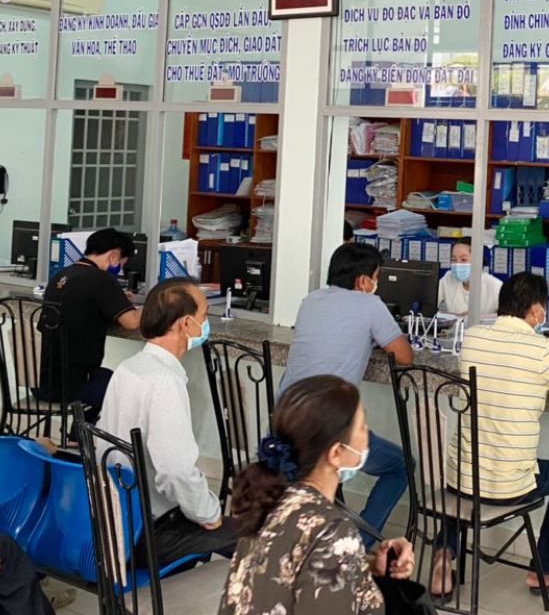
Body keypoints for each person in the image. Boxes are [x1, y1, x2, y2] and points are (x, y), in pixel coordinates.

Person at [431, 272, 549, 598]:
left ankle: (442, 554)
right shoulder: (541, 349)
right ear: (537, 311)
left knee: (469, 471)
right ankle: (545, 570)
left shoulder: (473, 337)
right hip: (506, 485)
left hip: (459, 474)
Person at [218, 375, 415, 615]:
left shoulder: (269, 502)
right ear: (336, 453)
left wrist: (366, 564)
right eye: (363, 427)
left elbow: (292, 573)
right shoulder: (333, 532)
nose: (368, 434)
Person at [97, 278, 237, 569]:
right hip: (148, 531)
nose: (205, 324)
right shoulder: (164, 382)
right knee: (252, 536)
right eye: (203, 316)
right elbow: (176, 472)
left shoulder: (129, 367)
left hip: (116, 519)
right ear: (186, 324)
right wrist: (209, 514)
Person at [278, 243, 413, 541]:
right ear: (364, 281)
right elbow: (404, 356)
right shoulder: (370, 305)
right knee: (402, 465)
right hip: (325, 427)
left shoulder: (311, 300)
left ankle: (330, 531)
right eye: (376, 277)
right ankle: (359, 543)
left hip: (284, 422)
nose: (376, 283)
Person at [39, 228, 141, 424]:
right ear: (114, 256)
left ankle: (77, 435)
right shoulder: (102, 279)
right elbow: (132, 322)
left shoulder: (61, 275)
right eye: (121, 264)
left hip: (42, 381)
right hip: (76, 385)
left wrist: (118, 299)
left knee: (107, 379)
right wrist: (154, 304)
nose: (119, 270)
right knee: (125, 386)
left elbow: (86, 303)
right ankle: (82, 435)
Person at [437, 237, 502, 316]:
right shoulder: (448, 278)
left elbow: (507, 318)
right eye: (454, 260)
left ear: (478, 261)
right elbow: (429, 304)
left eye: (463, 260)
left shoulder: (496, 287)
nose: (457, 264)